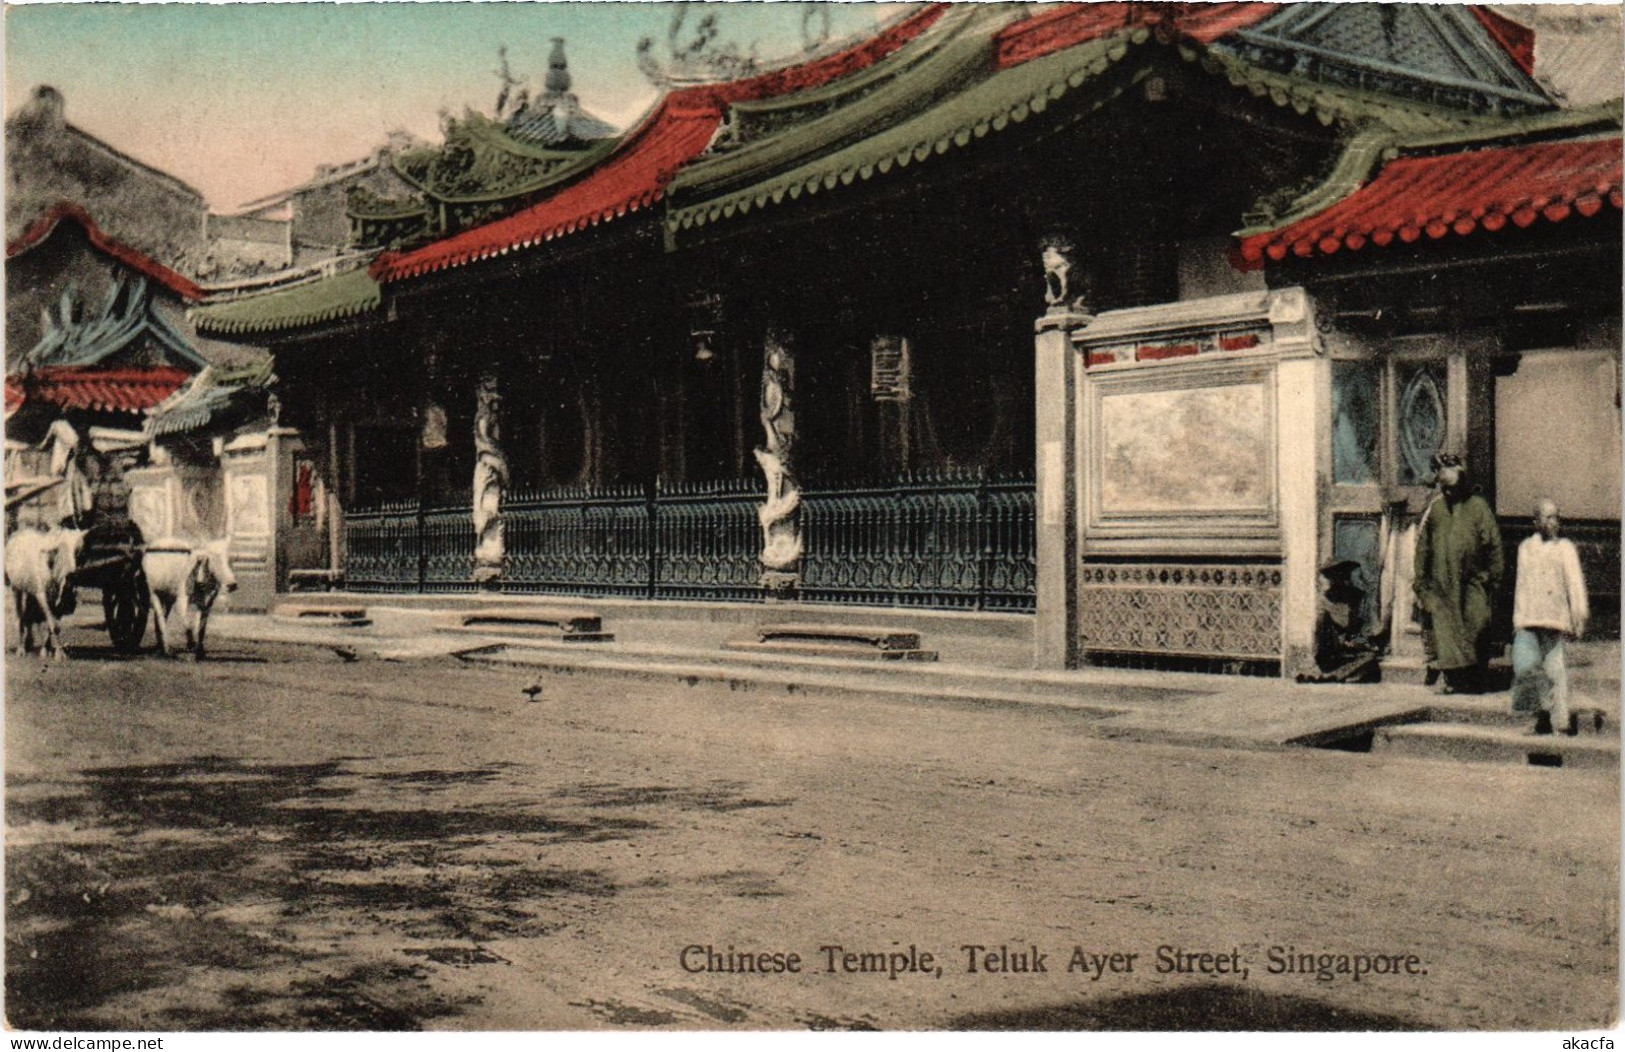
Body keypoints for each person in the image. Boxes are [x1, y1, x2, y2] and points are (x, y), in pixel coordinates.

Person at [1412, 452, 1504, 693]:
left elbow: (1494, 546)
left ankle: (1475, 679)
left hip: (1473, 582)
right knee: (1446, 630)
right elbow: (1423, 549)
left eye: (1455, 487)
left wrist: (1492, 580)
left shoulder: (1478, 507)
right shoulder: (1436, 510)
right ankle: (1454, 681)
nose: (1451, 492)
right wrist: (1421, 584)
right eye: (1446, 488)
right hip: (1441, 583)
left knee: (1477, 624)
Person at [1511, 499, 1589, 735]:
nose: (1553, 522)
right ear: (1536, 521)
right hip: (1530, 617)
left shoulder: (1564, 548)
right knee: (1530, 670)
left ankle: (1561, 721)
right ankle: (1541, 718)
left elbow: (1575, 585)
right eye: (1548, 517)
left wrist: (1578, 616)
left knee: (1555, 669)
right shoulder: (1526, 548)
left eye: (1556, 517)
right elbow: (1521, 585)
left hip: (1554, 617)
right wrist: (1518, 620)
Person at [1299, 560, 1380, 683]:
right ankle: (1334, 674)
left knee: (1369, 658)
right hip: (1330, 650)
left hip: (1351, 650)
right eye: (1334, 577)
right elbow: (1322, 631)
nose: (1339, 580)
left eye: (1342, 575)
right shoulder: (1325, 599)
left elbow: (1366, 629)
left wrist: (1358, 641)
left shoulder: (1358, 597)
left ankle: (1333, 675)